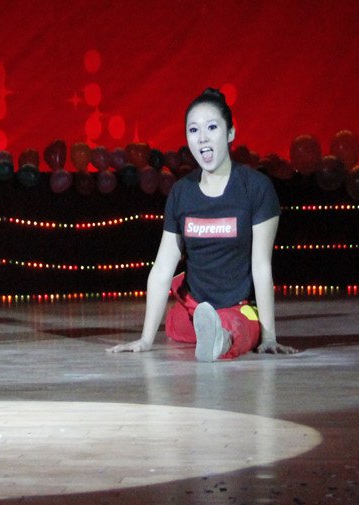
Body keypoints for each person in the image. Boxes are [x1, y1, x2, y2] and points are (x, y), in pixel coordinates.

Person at [109, 88, 297, 361]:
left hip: (238, 307)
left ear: (230, 133)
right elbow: (162, 268)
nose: (202, 138)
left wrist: (269, 337)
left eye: (212, 127)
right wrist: (146, 339)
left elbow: (261, 265)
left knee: (238, 326)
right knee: (175, 324)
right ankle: (209, 329)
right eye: (193, 130)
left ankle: (223, 338)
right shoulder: (181, 192)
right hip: (193, 308)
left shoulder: (256, 188)